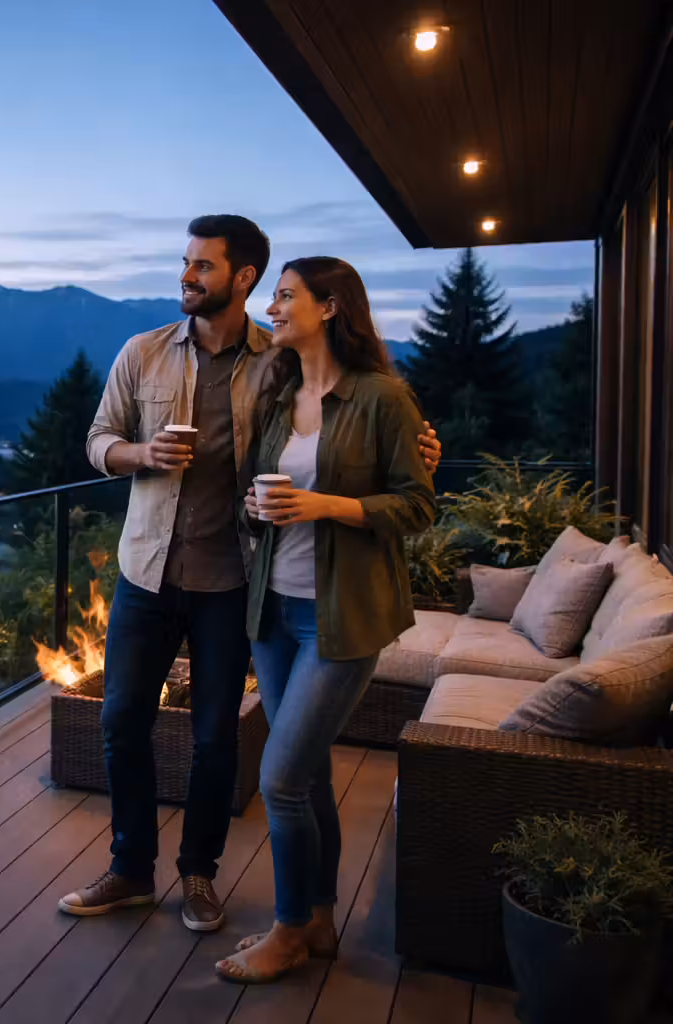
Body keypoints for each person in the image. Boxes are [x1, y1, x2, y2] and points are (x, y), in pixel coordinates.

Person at [59, 218, 440, 932]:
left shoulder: (279, 363)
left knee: (214, 740)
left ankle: (198, 876)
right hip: (146, 572)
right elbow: (96, 439)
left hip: (237, 580)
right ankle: (130, 869)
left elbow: (345, 420)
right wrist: (139, 456)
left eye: (203, 266)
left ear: (244, 279)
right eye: (185, 263)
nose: (186, 276)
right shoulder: (142, 353)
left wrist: (416, 446)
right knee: (119, 723)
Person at [215, 257, 435, 984]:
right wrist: (259, 508)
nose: (271, 306)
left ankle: (283, 931)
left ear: (331, 307)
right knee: (304, 775)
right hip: (275, 610)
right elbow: (266, 494)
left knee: (278, 777)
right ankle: (317, 917)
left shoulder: (382, 400)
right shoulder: (281, 396)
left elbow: (417, 507)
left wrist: (327, 506)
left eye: (284, 296)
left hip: (342, 618)